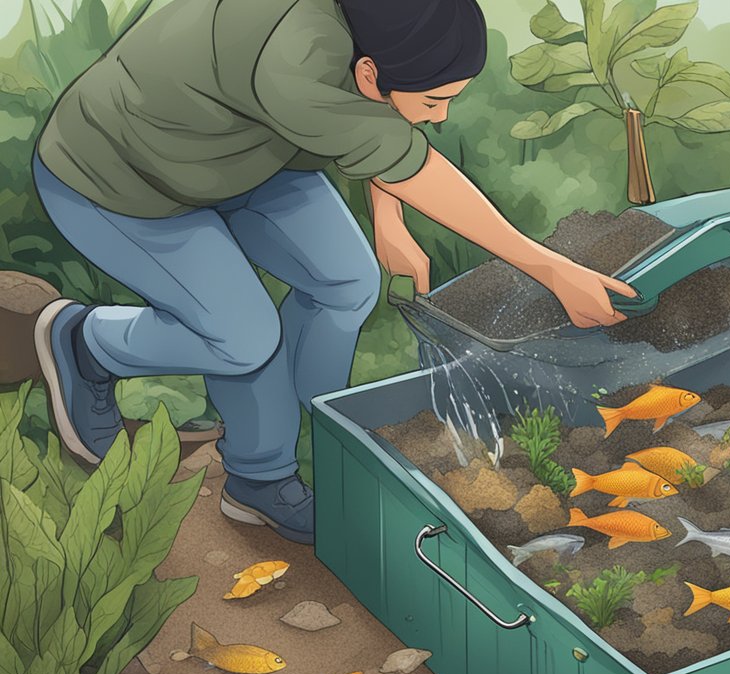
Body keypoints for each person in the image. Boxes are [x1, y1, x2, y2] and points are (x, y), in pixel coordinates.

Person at [31, 0, 634, 544]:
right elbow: (393, 146)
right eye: (434, 102)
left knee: (347, 280)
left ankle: (310, 445)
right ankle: (87, 346)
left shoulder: (370, 26)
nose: (443, 118)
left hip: (248, 154)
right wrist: (553, 270)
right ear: (370, 73)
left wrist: (388, 216)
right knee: (243, 338)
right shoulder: (293, 57)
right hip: (119, 178)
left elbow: (373, 124)